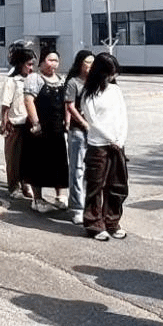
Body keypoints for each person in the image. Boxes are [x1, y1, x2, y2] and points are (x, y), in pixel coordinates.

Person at [77, 53, 129, 241]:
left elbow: (123, 115)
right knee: (96, 186)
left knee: (117, 185)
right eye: (109, 73)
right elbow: (93, 122)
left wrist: (120, 139)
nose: (112, 77)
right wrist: (111, 139)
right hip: (98, 145)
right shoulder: (88, 94)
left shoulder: (115, 91)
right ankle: (94, 224)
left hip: (117, 144)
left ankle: (112, 222)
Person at [22, 49, 69, 212]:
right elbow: (28, 101)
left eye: (56, 60)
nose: (53, 64)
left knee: (59, 161)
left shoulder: (61, 80)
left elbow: (66, 103)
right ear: (42, 62)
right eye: (50, 60)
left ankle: (60, 196)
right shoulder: (34, 79)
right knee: (38, 163)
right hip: (40, 128)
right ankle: (37, 199)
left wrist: (67, 121)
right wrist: (35, 123)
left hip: (57, 128)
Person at [62, 50, 95, 224]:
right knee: (77, 169)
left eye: (93, 62)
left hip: (94, 132)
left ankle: (89, 205)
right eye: (87, 62)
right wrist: (82, 123)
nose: (90, 66)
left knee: (91, 170)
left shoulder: (95, 82)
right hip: (78, 131)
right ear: (80, 64)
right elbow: (70, 106)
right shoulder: (73, 82)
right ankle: (76, 207)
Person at [0, 46, 33, 203]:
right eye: (28, 64)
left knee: (28, 158)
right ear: (20, 64)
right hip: (15, 123)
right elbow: (5, 104)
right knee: (13, 158)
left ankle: (26, 184)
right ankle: (14, 186)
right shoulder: (12, 81)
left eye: (32, 64)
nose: (31, 68)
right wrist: (4, 122)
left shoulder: (33, 81)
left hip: (29, 124)